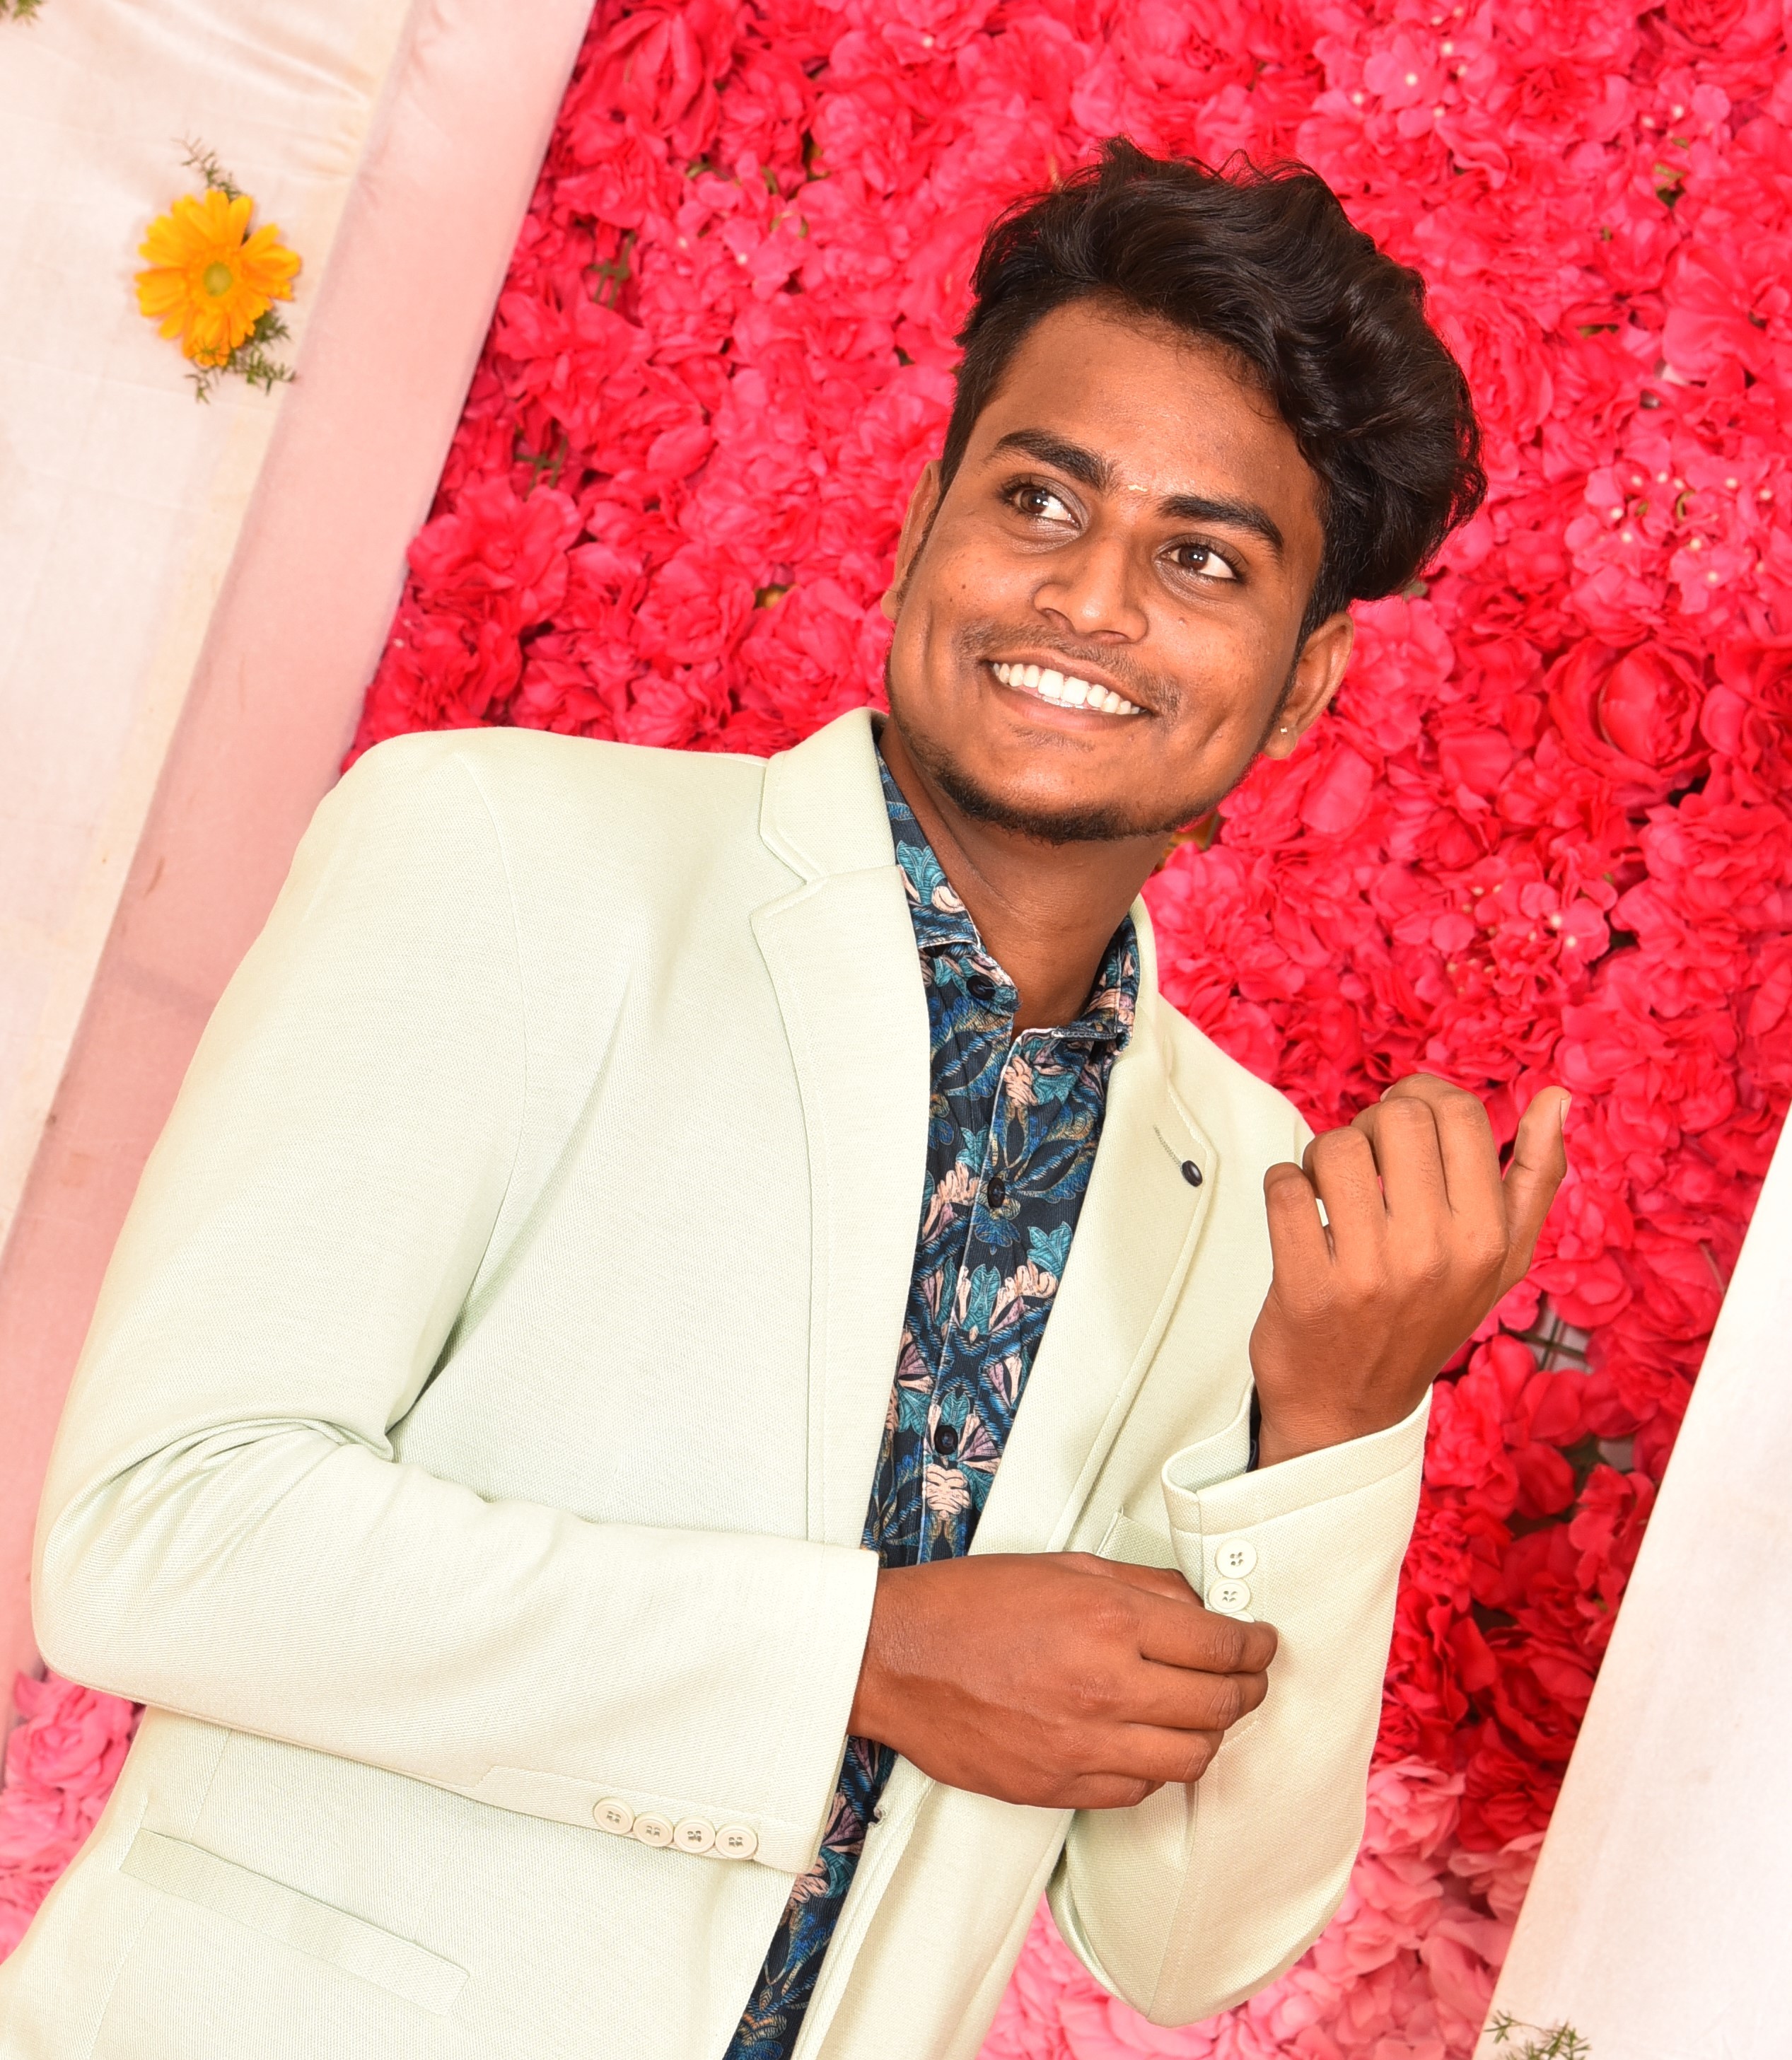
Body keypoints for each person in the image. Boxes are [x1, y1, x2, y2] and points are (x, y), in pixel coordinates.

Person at [0, 140, 1567, 2060]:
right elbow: (158, 1535)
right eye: (1041, 498)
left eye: (1203, 559)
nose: (1089, 595)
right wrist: (860, 1657)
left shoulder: (1246, 1183)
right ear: (923, 521)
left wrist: (1340, 1420)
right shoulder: (496, 854)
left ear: (1307, 681)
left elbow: (1182, 1939)